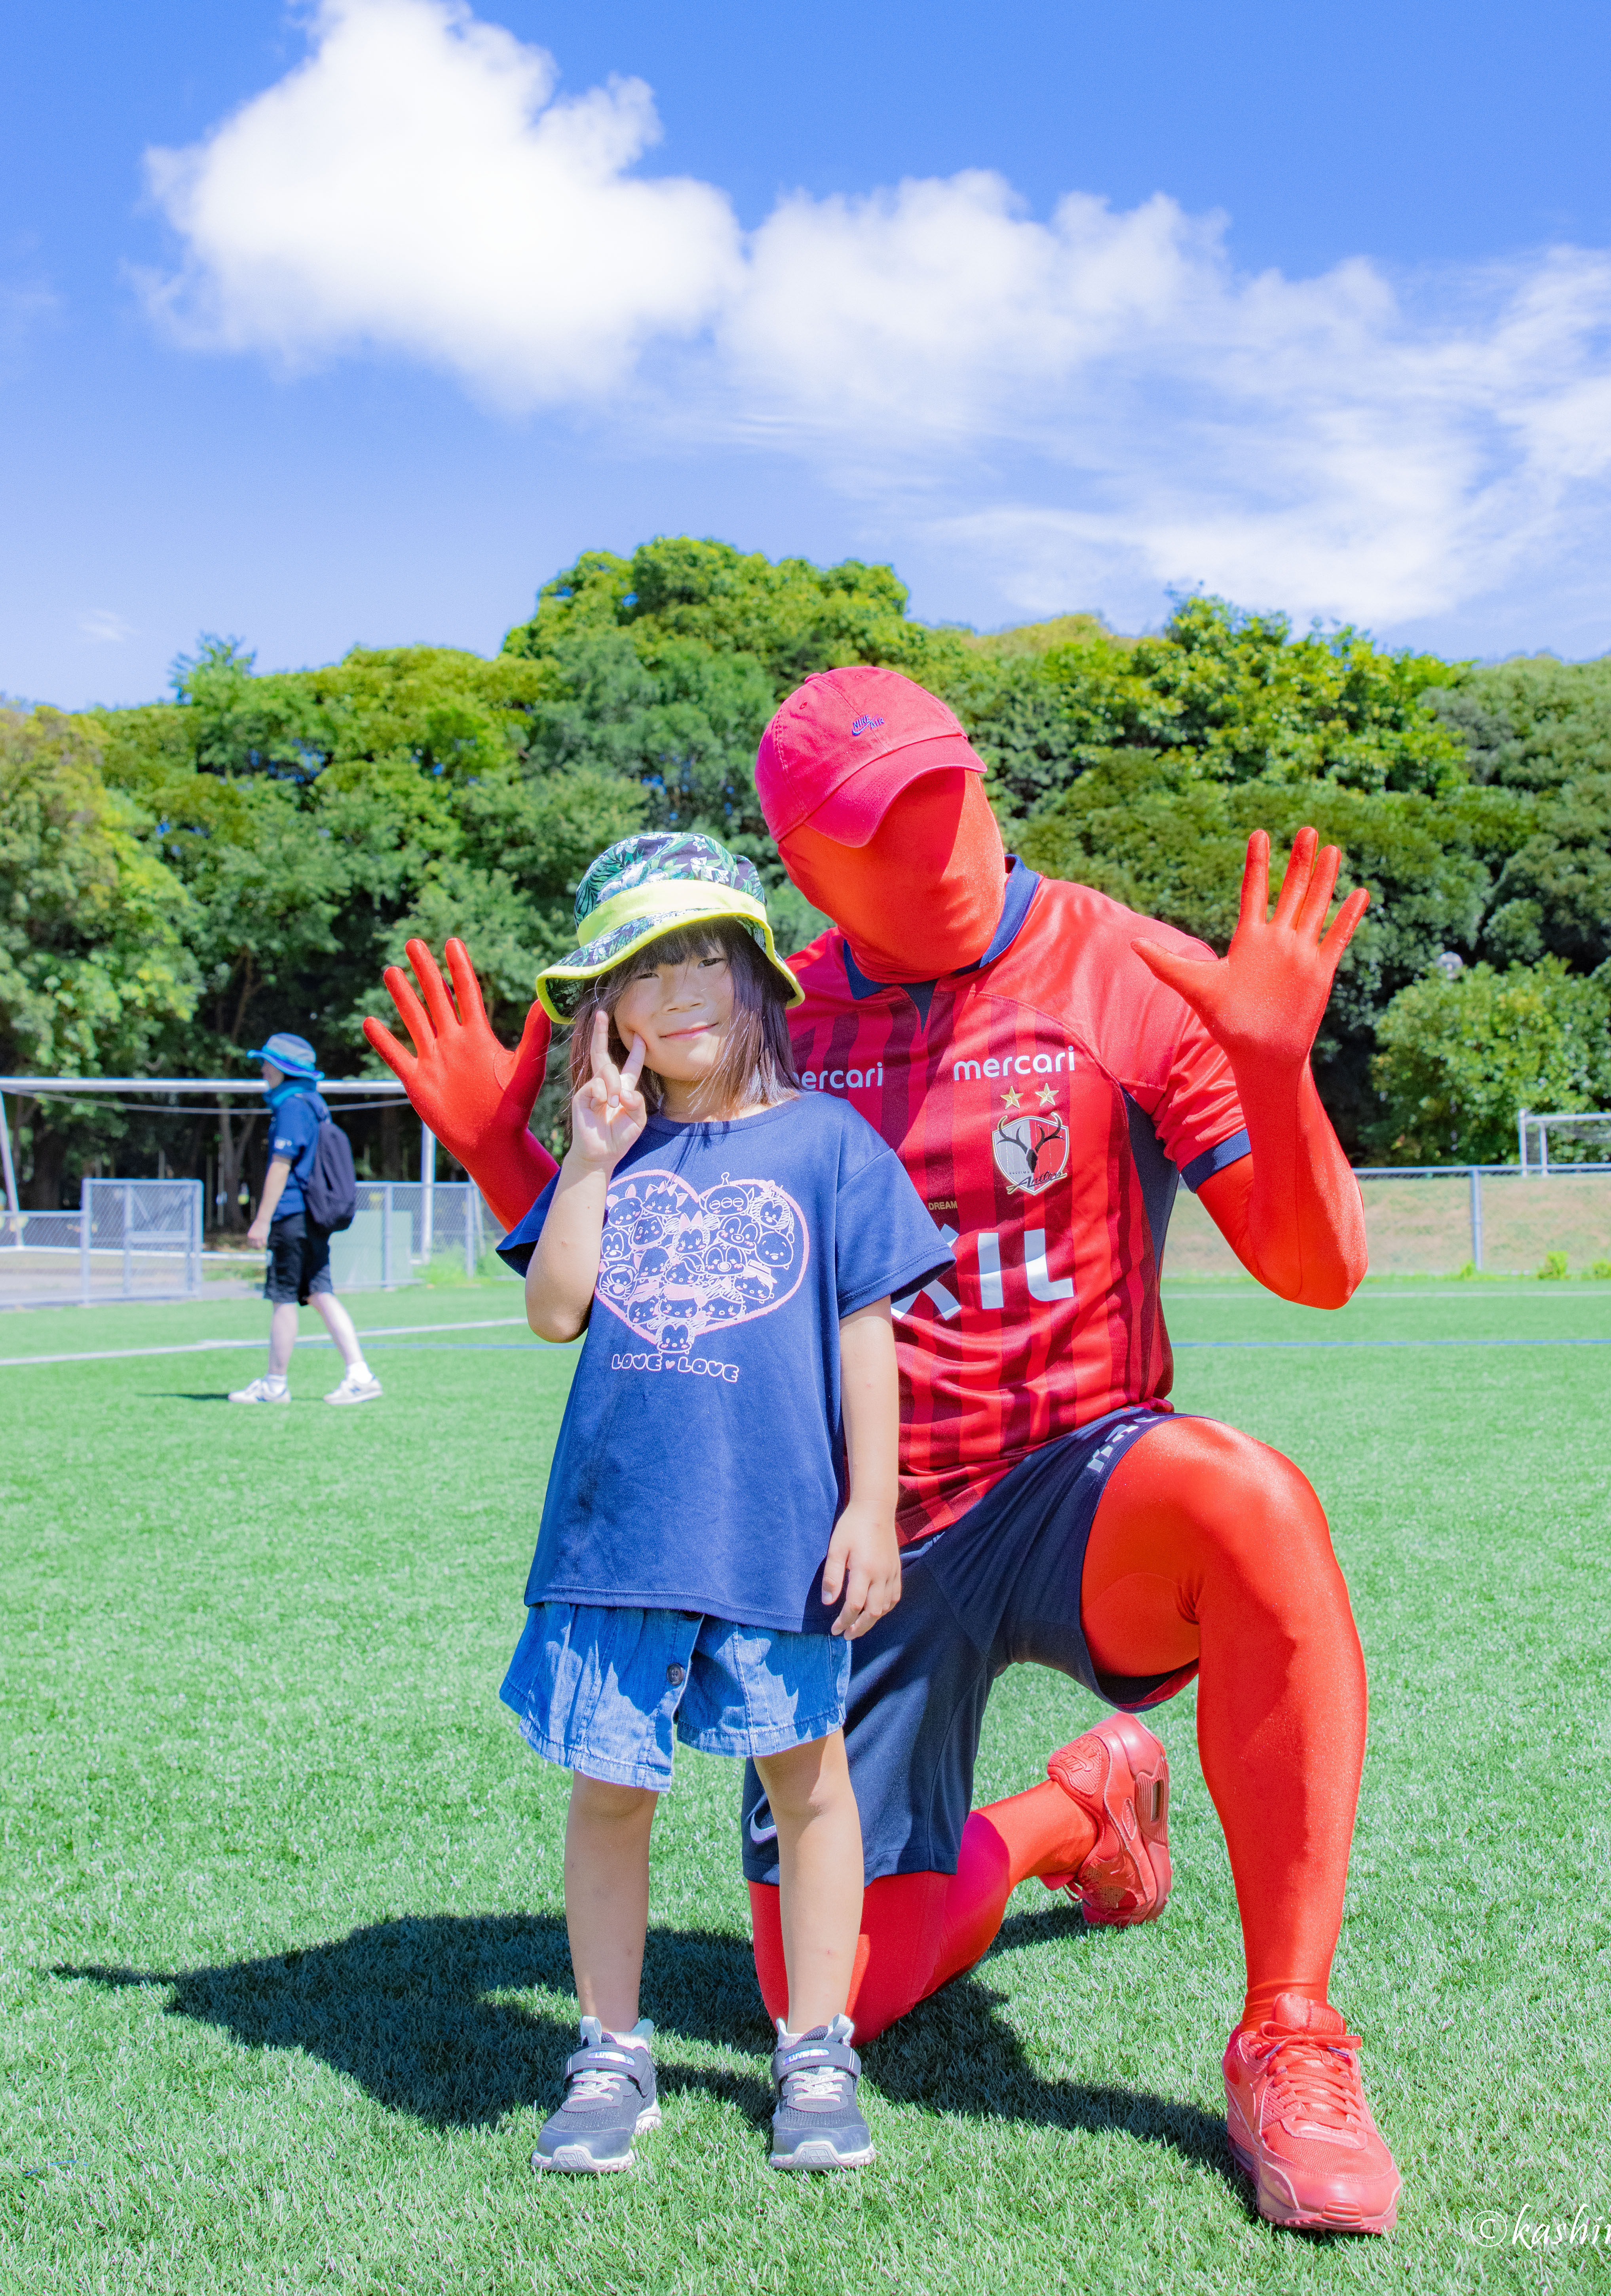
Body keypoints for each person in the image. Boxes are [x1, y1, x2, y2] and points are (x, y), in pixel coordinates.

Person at [366, 672, 1401, 2235]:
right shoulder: (756, 1022)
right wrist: (498, 1140)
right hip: (844, 1551)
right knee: (848, 1990)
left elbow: (1318, 1271)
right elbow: (622, 1259)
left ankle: (1290, 2030)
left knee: (1253, 1504)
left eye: (952, 799)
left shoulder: (1124, 969)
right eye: (883, 836)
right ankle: (1078, 1809)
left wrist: (1269, 1062)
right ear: (809, 874)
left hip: (1075, 1482)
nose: (943, 853)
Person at [491, 833, 952, 2176]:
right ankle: (610, 2051)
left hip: (777, 1535)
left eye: (701, 955)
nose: (678, 990)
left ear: (751, 972)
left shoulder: (830, 1142)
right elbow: (554, 1311)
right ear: (610, 1013)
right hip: (618, 1537)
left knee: (807, 1787)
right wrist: (587, 1157)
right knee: (611, 1792)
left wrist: (873, 1507)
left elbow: (868, 1339)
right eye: (643, 970)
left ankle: (816, 2051)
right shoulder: (608, 1150)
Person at [226, 1032, 382, 1408]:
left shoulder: (292, 1107)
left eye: (267, 1063)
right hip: (309, 1217)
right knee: (319, 1293)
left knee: (283, 1298)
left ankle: (275, 1384)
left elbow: (281, 1167)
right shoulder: (312, 1104)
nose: (262, 1069)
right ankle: (360, 1375)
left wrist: (262, 1221)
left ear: (282, 1069)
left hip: (292, 1217)